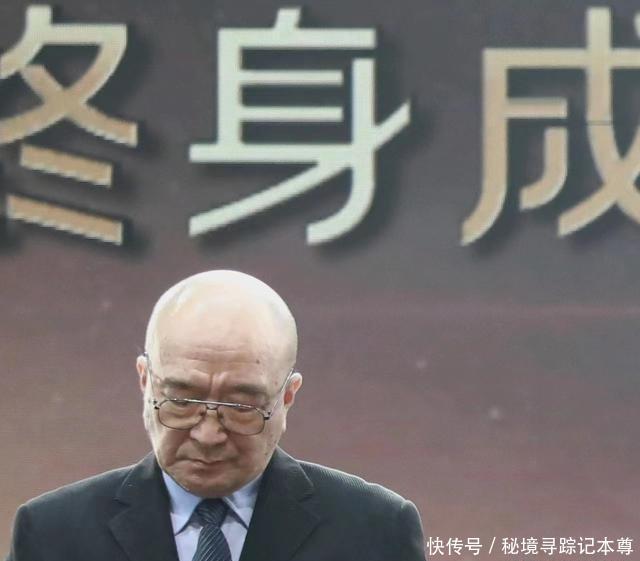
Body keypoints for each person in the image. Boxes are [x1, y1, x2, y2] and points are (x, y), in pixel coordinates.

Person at [7, 270, 426, 561]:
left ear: (287, 397)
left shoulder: (374, 529)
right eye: (182, 400)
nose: (208, 435)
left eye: (241, 407)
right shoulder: (52, 533)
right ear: (145, 381)